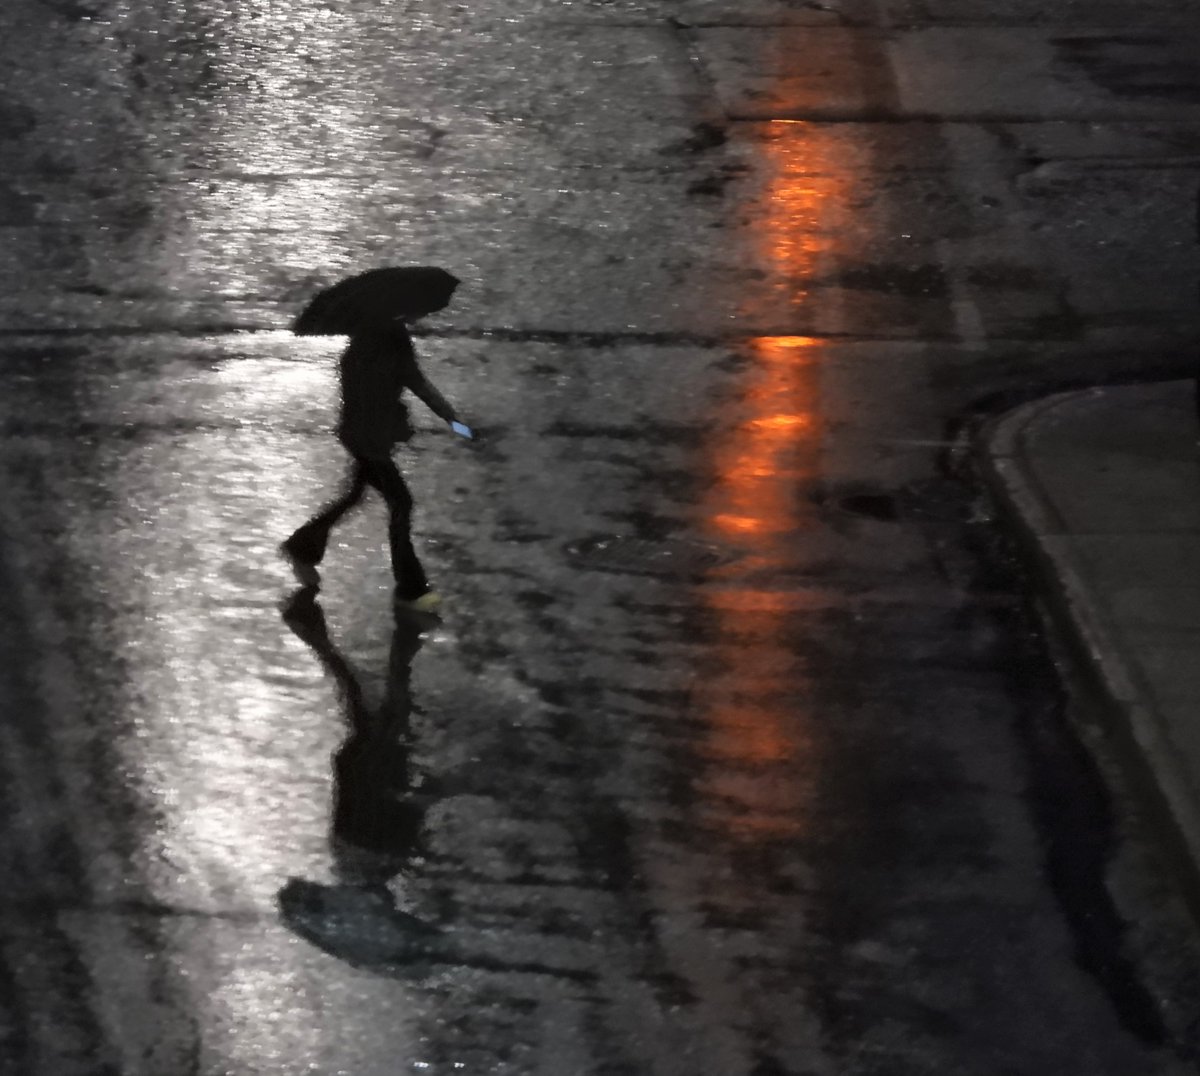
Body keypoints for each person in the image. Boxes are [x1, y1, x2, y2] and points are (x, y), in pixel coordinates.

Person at [281, 313, 469, 608]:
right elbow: (418, 386)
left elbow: (412, 385)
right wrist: (458, 425)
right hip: (370, 442)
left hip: (364, 438)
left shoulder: (367, 343)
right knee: (401, 503)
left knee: (355, 495)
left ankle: (302, 547)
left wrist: (456, 423)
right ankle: (410, 588)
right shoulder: (387, 343)